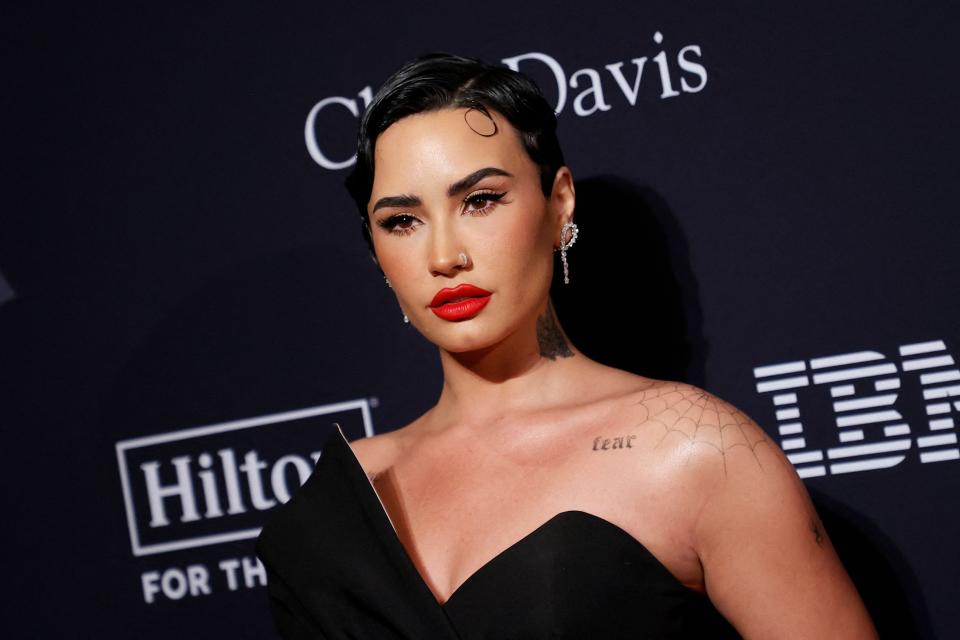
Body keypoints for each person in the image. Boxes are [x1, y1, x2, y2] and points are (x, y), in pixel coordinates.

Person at [256, 52, 878, 639]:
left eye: (480, 200)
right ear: (377, 253)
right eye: (402, 221)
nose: (445, 256)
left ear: (559, 205)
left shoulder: (692, 450)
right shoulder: (337, 504)